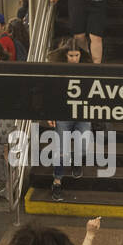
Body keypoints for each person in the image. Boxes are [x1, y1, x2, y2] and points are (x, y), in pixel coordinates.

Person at [46, 40, 92, 201]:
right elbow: (51, 93)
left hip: (82, 114)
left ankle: (77, 160)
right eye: (71, 55)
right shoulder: (58, 71)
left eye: (76, 55)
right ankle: (57, 181)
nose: (74, 59)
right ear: (65, 55)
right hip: (62, 113)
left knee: (85, 145)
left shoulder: (88, 70)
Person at [51, 0, 113, 65]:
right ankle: (85, 62)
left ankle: (96, 66)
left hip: (98, 2)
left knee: (96, 36)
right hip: (78, 0)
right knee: (79, 36)